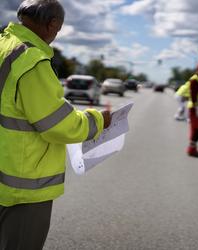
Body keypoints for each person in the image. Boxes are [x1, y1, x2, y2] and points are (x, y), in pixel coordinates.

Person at [0, 1, 111, 249]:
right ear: (52, 25)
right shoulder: (31, 60)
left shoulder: (3, 46)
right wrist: (98, 120)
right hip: (22, 187)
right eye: (58, 29)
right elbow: (59, 125)